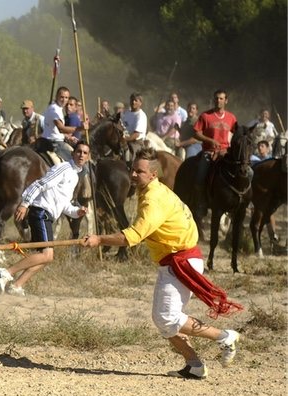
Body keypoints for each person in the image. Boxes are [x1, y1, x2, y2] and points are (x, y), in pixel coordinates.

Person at [82, 147, 241, 379]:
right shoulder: (151, 191)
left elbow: (132, 237)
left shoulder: (153, 200)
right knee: (164, 320)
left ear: (153, 174)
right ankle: (194, 365)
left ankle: (225, 336)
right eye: (133, 170)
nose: (134, 175)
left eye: (140, 171)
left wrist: (98, 239)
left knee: (167, 317)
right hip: (175, 261)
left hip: (181, 262)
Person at [0, 142, 90, 296]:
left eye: (85, 153)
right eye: (78, 151)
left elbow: (64, 204)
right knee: (46, 254)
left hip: (47, 215)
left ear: (88, 157)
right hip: (41, 212)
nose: (81, 155)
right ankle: (6, 272)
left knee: (46, 257)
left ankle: (17, 286)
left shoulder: (74, 176)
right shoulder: (64, 168)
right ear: (73, 154)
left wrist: (77, 212)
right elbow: (41, 184)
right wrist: (25, 203)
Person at [193, 89, 238, 215]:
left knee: (244, 172)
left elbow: (237, 134)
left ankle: (240, 201)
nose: (218, 101)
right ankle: (201, 202)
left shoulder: (231, 118)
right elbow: (196, 133)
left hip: (226, 152)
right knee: (200, 176)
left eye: (221, 98)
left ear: (226, 101)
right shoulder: (205, 116)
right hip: (209, 152)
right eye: (216, 98)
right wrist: (210, 140)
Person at [35, 86, 88, 163]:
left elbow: (55, 130)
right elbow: (61, 128)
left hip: (55, 140)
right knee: (77, 162)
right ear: (56, 96)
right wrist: (80, 128)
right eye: (62, 97)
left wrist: (67, 137)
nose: (64, 100)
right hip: (55, 144)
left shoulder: (57, 108)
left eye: (66, 97)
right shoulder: (54, 109)